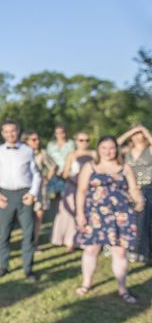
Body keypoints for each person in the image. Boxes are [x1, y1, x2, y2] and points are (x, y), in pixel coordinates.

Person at [75, 136, 144, 303]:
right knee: (91, 249)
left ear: (117, 149)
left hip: (120, 215)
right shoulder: (90, 167)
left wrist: (140, 201)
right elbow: (82, 191)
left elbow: (134, 189)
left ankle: (122, 289)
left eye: (111, 148)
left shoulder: (125, 167)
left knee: (119, 252)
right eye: (104, 148)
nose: (108, 151)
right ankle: (86, 283)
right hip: (95, 215)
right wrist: (80, 214)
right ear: (98, 149)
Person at [0, 119, 41, 282]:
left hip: (24, 195)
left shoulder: (27, 150)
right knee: (4, 233)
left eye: (13, 131)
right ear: (2, 133)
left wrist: (32, 193)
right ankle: (3, 265)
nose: (10, 134)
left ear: (18, 131)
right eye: (6, 131)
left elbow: (37, 174)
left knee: (28, 232)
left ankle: (28, 268)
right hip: (5, 195)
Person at [51, 132, 94, 252]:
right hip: (73, 187)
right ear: (76, 141)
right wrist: (74, 180)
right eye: (81, 140)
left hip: (89, 189)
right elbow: (65, 173)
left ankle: (85, 240)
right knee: (70, 215)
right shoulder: (72, 155)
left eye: (86, 140)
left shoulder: (94, 154)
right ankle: (70, 241)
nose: (84, 142)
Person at [118, 124, 152, 263]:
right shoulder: (127, 150)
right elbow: (113, 144)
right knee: (132, 221)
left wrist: (145, 130)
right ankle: (133, 250)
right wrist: (130, 131)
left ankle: (146, 252)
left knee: (147, 221)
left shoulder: (149, 149)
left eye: (140, 134)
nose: (138, 136)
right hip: (130, 189)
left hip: (148, 188)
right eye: (135, 134)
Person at [23, 131, 57, 250]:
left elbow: (53, 166)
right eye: (33, 139)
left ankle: (34, 243)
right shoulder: (21, 153)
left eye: (37, 139)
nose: (37, 142)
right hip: (26, 188)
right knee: (26, 216)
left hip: (40, 189)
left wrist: (47, 177)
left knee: (38, 215)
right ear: (26, 141)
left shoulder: (42, 153)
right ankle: (27, 241)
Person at [46, 124, 75, 206]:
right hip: (54, 172)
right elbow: (48, 159)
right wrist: (52, 171)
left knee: (67, 194)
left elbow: (72, 157)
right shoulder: (51, 144)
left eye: (61, 132)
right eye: (57, 133)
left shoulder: (70, 143)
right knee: (56, 194)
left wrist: (65, 170)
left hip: (66, 172)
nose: (59, 135)